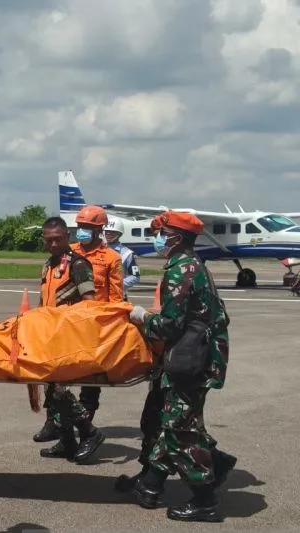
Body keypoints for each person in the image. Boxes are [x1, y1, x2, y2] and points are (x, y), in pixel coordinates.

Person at [127, 211, 236, 522]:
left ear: (176, 236)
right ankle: (150, 484)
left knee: (180, 428)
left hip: (192, 360)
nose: (157, 239)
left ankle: (205, 499)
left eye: (161, 232)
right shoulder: (191, 264)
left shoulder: (181, 270)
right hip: (199, 355)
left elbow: (169, 326)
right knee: (172, 420)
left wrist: (142, 317)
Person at [33, 205, 123, 442]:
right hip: (58, 329)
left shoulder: (108, 259)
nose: (83, 231)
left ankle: (85, 431)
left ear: (99, 230)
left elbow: (113, 296)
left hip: (93, 324)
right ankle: (61, 431)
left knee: (88, 385)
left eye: (88, 228)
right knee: (54, 383)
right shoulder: (63, 255)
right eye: (81, 227)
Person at [104, 216, 140, 299]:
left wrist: (117, 284)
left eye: (112, 232)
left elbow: (135, 276)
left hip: (117, 295)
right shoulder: (98, 249)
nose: (108, 234)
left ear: (119, 234)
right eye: (107, 231)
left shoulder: (127, 253)